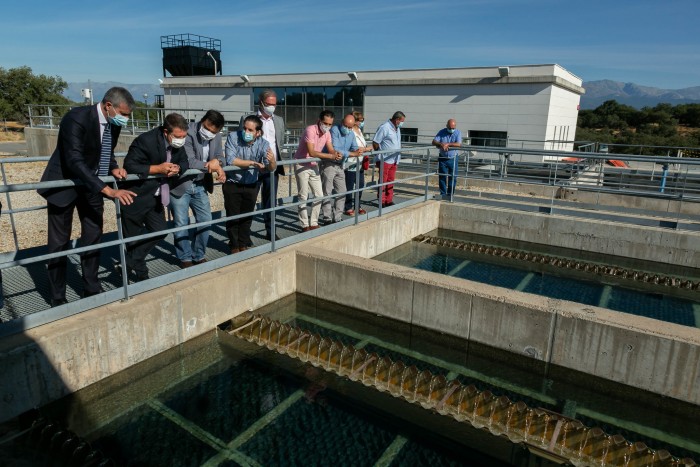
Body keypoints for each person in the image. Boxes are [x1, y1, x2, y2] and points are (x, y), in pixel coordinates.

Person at [38, 87, 137, 306]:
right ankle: (57, 296)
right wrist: (108, 190)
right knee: (58, 244)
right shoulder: (76, 118)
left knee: (93, 237)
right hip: (64, 185)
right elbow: (74, 160)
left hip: (91, 187)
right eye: (124, 114)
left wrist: (113, 168)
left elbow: (106, 150)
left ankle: (91, 287)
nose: (126, 119)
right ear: (108, 105)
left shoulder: (113, 122)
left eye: (128, 115)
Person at [120, 113, 190, 281]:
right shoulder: (146, 140)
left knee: (160, 231)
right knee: (132, 241)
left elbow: (185, 162)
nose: (181, 140)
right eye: (178, 136)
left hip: (157, 197)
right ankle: (139, 277)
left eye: (184, 137)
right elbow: (130, 165)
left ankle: (127, 264)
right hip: (135, 197)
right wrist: (157, 169)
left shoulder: (178, 144)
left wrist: (178, 169)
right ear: (166, 132)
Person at [171, 110, 225, 268]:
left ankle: (198, 254)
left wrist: (217, 163)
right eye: (207, 128)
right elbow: (190, 161)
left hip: (200, 185)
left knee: (205, 220)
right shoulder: (187, 133)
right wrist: (212, 165)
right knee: (181, 223)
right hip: (180, 185)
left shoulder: (217, 136)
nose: (209, 133)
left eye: (214, 132)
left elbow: (221, 157)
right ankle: (185, 257)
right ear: (203, 121)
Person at [223, 115, 276, 253]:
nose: (246, 132)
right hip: (233, 182)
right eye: (244, 128)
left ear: (258, 132)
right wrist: (252, 163)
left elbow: (271, 168)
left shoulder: (263, 143)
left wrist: (272, 161)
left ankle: (243, 243)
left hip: (251, 184)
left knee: (247, 216)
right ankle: (234, 245)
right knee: (233, 215)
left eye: (250, 130)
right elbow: (231, 160)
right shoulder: (233, 137)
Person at [240, 90, 286, 241]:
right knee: (249, 201)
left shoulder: (278, 120)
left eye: (274, 104)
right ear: (261, 102)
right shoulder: (247, 119)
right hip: (253, 166)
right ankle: (244, 235)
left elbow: (279, 142)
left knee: (270, 201)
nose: (272, 107)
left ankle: (270, 231)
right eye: (269, 104)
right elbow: (242, 141)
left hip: (271, 167)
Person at [294, 110, 340, 232]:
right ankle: (304, 225)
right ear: (319, 121)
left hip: (313, 165)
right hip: (301, 163)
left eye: (330, 124)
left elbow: (330, 149)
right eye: (325, 123)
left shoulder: (327, 133)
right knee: (303, 195)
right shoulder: (311, 130)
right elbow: (312, 152)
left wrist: (336, 154)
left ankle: (313, 222)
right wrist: (331, 156)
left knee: (319, 195)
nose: (327, 126)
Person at [321, 113, 363, 224]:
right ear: (342, 123)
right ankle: (327, 217)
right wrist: (352, 154)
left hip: (340, 165)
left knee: (342, 191)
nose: (348, 129)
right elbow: (335, 149)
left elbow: (354, 147)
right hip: (329, 164)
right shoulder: (334, 130)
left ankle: (337, 217)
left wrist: (358, 150)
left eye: (350, 127)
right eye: (346, 126)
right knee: (327, 191)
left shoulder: (351, 134)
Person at [372, 111, 405, 207]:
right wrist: (380, 154)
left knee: (391, 181)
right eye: (402, 121)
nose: (402, 123)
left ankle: (389, 200)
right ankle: (382, 201)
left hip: (394, 159)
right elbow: (375, 142)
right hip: (385, 159)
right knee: (383, 181)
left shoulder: (397, 128)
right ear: (397, 120)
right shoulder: (384, 127)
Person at [344, 111, 370, 215]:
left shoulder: (359, 130)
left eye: (362, 120)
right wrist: (366, 149)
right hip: (351, 161)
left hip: (360, 161)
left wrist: (366, 148)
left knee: (360, 184)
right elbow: (351, 146)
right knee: (349, 186)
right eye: (360, 120)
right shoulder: (350, 132)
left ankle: (358, 206)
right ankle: (348, 207)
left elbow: (362, 144)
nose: (361, 123)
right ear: (354, 121)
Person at [432, 119, 462, 197]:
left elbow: (458, 144)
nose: (451, 130)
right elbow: (434, 141)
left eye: (453, 128)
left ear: (455, 126)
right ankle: (443, 194)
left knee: (453, 177)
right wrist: (441, 144)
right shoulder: (442, 132)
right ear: (446, 126)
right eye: (450, 128)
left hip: (453, 158)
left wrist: (448, 144)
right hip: (443, 158)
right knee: (442, 177)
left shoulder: (458, 132)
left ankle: (450, 194)